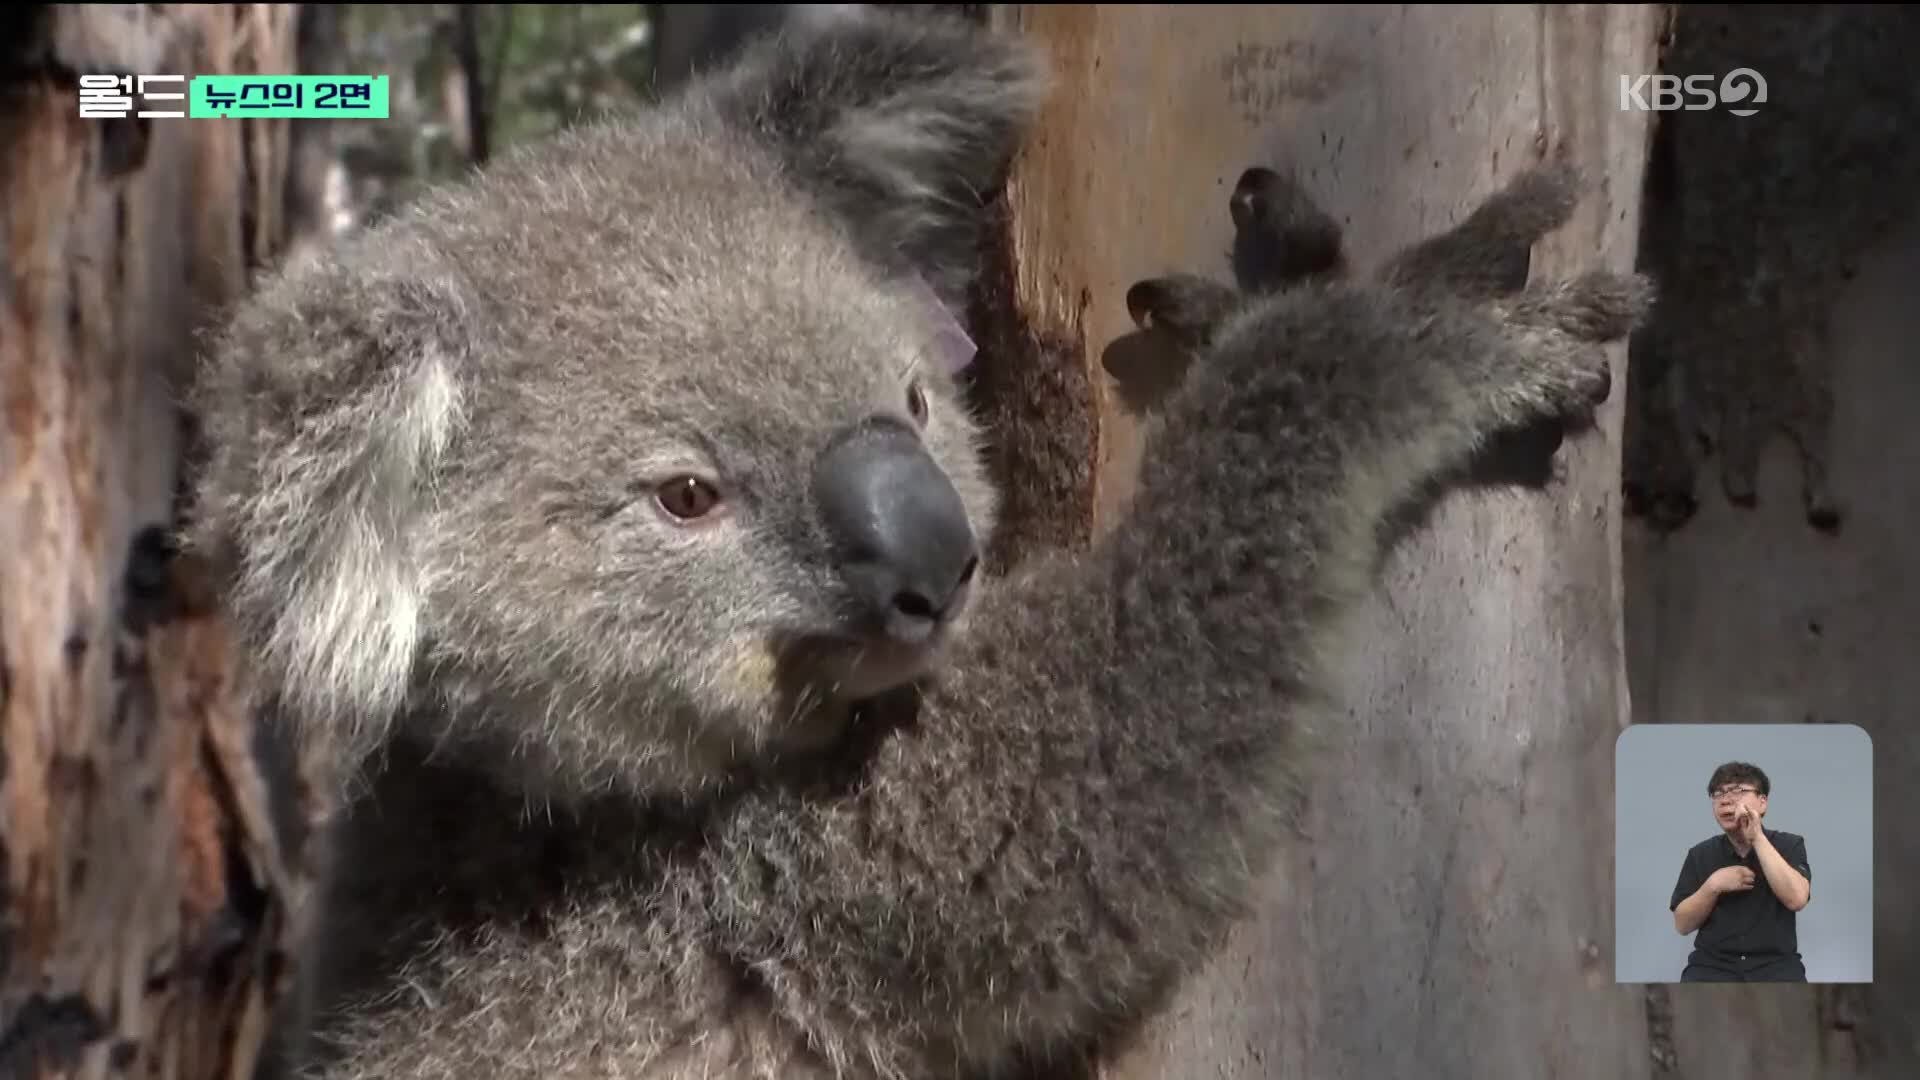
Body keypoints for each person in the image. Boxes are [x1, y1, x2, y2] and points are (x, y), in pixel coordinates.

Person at [1668, 762, 1813, 982]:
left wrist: (1757, 838)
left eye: (1738, 791)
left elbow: (1797, 899)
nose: (1726, 799)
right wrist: (1712, 886)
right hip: (1712, 967)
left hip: (1776, 967)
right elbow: (1682, 925)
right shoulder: (1700, 854)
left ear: (1762, 802)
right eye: (1718, 794)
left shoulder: (1789, 845)